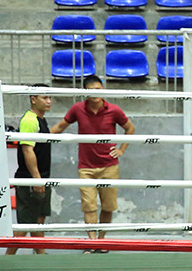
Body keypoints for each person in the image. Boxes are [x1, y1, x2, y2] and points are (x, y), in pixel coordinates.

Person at [50, 76, 136, 247]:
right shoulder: (77, 109)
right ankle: (92, 242)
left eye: (98, 89)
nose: (95, 94)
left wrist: (121, 150)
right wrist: (39, 139)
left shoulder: (114, 110)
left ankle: (102, 241)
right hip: (86, 168)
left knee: (108, 206)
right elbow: (60, 127)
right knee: (89, 206)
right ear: (84, 92)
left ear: (103, 89)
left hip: (109, 166)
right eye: (91, 90)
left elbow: (130, 128)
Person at [7, 88, 54, 255]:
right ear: (33, 99)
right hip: (30, 179)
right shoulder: (29, 120)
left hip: (42, 176)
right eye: (44, 97)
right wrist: (36, 178)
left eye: (50, 97)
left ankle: (41, 254)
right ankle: (7, 259)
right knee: (25, 225)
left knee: (39, 220)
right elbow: (27, 150)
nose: (49, 101)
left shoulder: (41, 120)